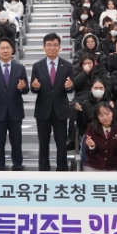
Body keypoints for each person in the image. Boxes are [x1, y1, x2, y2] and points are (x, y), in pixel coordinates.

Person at [30, 33, 75, 171]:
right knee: (43, 143)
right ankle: (44, 170)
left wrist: (69, 87)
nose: (52, 48)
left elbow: (71, 88)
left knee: (61, 143)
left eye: (55, 45)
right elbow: (34, 88)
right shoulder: (37, 66)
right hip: (42, 109)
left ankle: (62, 170)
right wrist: (35, 87)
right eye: (49, 45)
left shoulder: (67, 65)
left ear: (60, 47)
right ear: (44, 47)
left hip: (60, 110)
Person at [0, 38, 28, 171]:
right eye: (2, 48)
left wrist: (22, 87)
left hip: (15, 110)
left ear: (12, 49)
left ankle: (18, 166)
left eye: (8, 48)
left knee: (16, 142)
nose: (5, 50)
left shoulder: (20, 68)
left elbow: (26, 89)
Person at [83, 102, 117, 171]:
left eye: (107, 114)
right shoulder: (91, 128)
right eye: (101, 115)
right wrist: (91, 146)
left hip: (112, 167)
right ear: (97, 117)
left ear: (112, 113)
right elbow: (88, 153)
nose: (105, 117)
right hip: (93, 165)